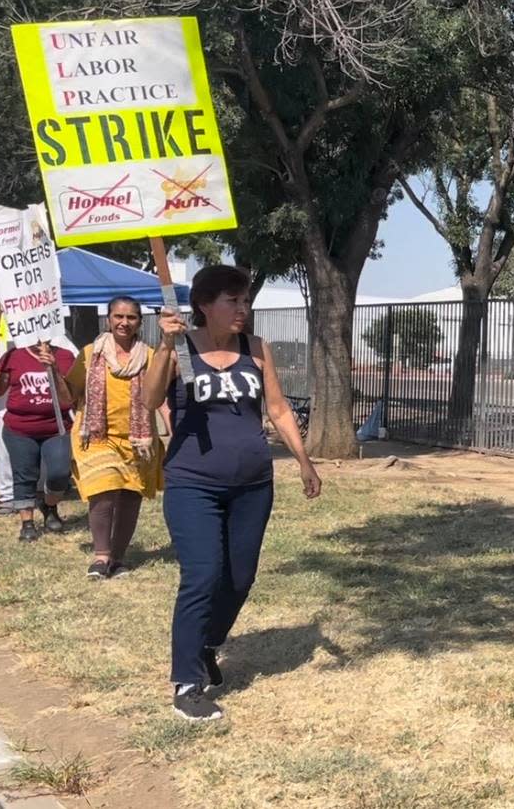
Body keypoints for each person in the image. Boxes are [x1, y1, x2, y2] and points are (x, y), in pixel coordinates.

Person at [143, 264, 322, 722]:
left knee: (239, 578)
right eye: (232, 301)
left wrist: (304, 460)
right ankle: (186, 683)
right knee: (203, 574)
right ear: (205, 306)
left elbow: (278, 409)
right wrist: (165, 345)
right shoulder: (179, 349)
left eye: (245, 301)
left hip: (252, 484)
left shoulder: (256, 349)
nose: (243, 309)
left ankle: (206, 644)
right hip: (192, 482)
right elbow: (148, 400)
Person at [65, 297, 164, 580]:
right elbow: (69, 394)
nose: (124, 322)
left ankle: (118, 558)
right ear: (108, 318)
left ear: (139, 322)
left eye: (131, 317)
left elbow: (161, 398)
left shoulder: (149, 356)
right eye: (118, 316)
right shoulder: (89, 354)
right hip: (96, 436)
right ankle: (101, 557)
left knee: (130, 498)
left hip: (139, 440)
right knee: (103, 492)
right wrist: (51, 370)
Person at [0, 340, 76, 542]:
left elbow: (69, 397)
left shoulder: (65, 356)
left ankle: (49, 506)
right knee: (24, 474)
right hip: (19, 428)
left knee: (60, 472)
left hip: (57, 428)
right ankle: (27, 523)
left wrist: (53, 368)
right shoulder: (14, 356)